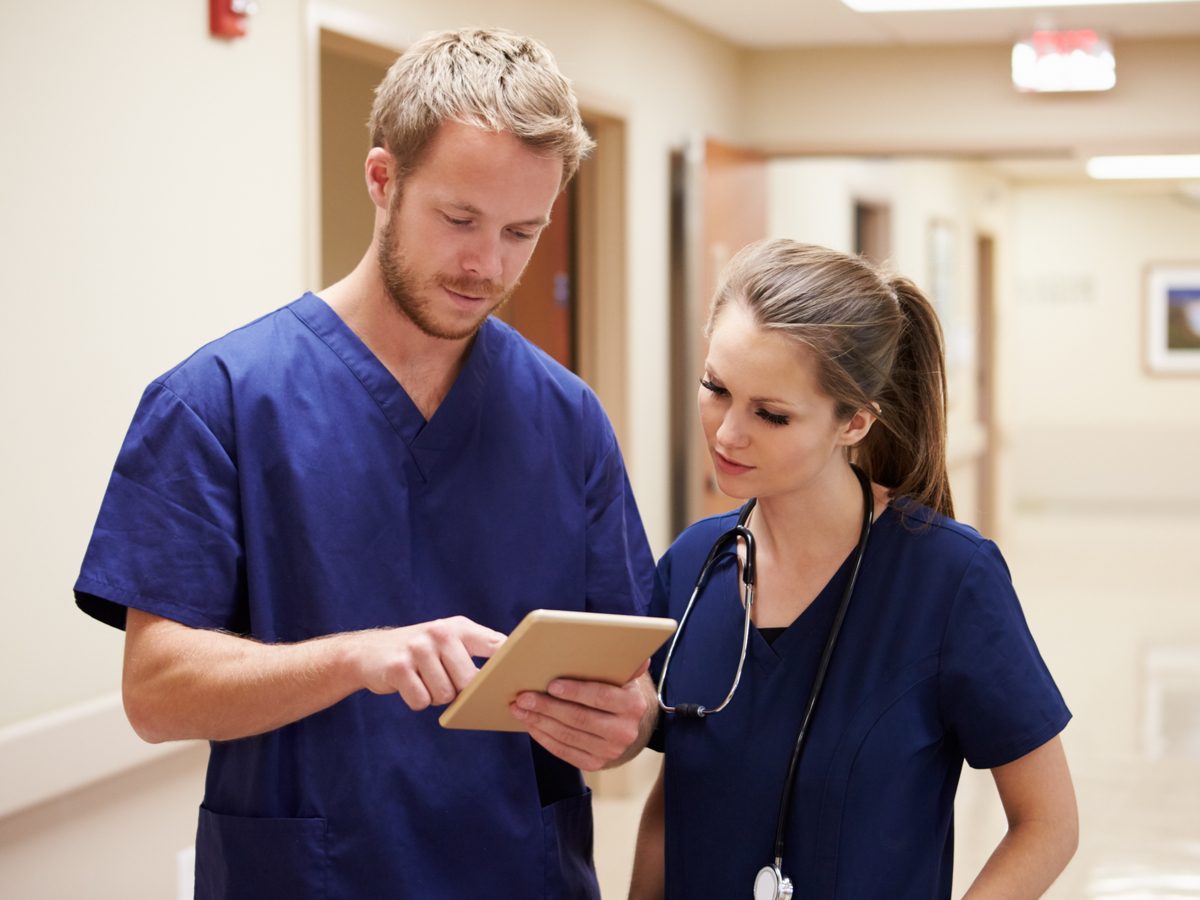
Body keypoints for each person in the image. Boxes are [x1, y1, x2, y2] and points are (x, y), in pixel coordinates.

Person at [74, 27, 657, 900]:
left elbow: (632, 688)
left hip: (514, 872)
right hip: (309, 877)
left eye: (521, 232)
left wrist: (624, 723)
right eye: (459, 219)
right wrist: (357, 659)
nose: (486, 265)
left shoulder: (567, 419)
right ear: (383, 180)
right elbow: (156, 694)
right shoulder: (220, 400)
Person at [629, 240, 1078, 899]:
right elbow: (677, 803)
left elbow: (1049, 824)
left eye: (771, 414)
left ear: (855, 421)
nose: (727, 433)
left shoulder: (947, 579)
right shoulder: (694, 565)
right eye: (715, 389)